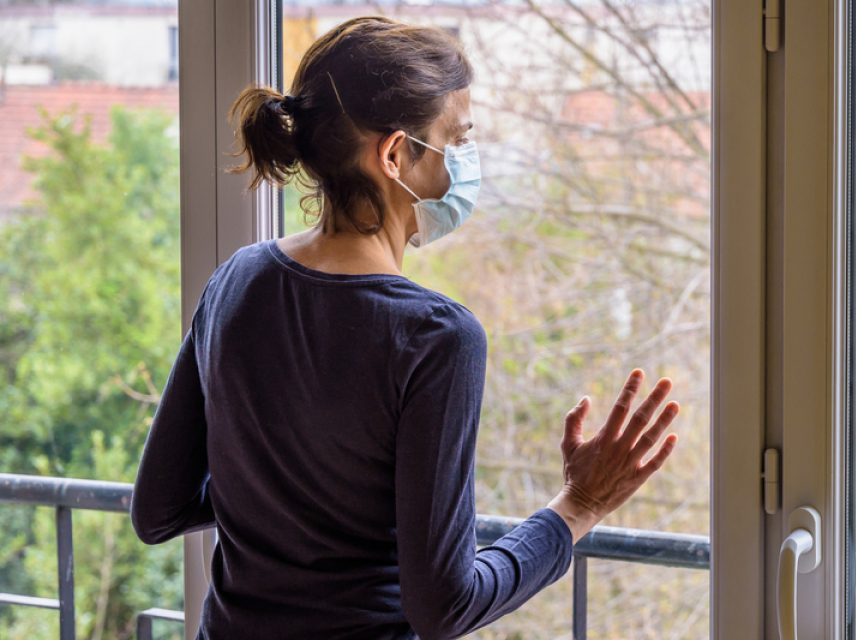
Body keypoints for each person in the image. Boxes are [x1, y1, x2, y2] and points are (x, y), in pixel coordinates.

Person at [129, 15, 680, 640]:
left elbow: (157, 511)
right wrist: (579, 507)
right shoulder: (436, 337)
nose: (467, 161)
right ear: (394, 155)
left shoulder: (237, 281)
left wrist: (274, 498)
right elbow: (442, 607)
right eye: (458, 138)